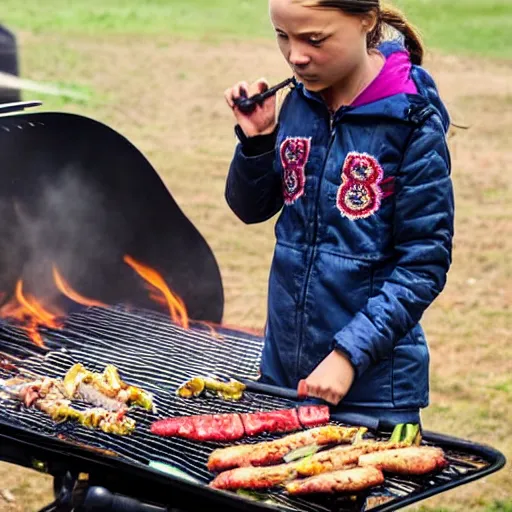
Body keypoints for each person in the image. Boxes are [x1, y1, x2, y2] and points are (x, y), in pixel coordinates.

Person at [223, 0, 454, 425]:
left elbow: (423, 263)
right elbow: (250, 209)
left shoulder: (411, 121)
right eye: (283, 36)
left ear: (366, 20)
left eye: (314, 39)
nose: (296, 56)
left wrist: (348, 355)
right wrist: (257, 143)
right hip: (283, 377)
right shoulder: (297, 105)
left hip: (373, 392)